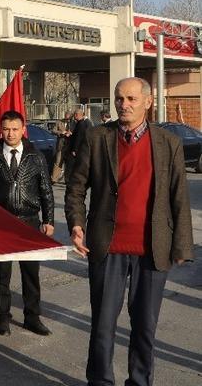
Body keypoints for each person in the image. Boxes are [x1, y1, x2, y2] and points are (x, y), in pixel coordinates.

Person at [65, 77, 193, 386]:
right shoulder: (97, 138)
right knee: (103, 325)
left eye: (132, 99)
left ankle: (139, 381)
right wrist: (76, 224)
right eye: (119, 98)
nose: (124, 104)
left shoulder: (167, 143)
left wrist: (182, 247)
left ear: (148, 102)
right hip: (107, 246)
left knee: (145, 328)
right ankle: (100, 380)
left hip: (152, 248)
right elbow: (76, 187)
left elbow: (178, 196)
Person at [0, 110, 55, 337]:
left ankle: (32, 317)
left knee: (31, 274)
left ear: (23, 130)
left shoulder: (36, 157)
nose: (10, 133)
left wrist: (48, 220)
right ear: (0, 131)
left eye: (14, 129)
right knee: (2, 273)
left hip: (29, 223)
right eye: (6, 129)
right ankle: (2, 318)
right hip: (1, 223)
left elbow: (46, 191)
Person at [66, 107, 93, 181]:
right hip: (78, 149)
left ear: (78, 115)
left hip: (77, 149)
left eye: (75, 114)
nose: (74, 116)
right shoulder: (79, 123)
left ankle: (73, 179)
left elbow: (79, 138)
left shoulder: (82, 124)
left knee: (74, 166)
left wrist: (75, 149)